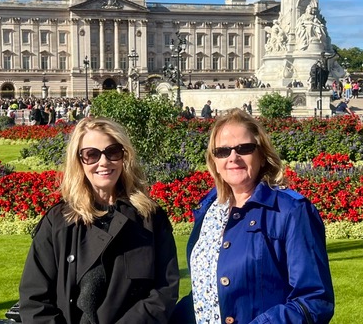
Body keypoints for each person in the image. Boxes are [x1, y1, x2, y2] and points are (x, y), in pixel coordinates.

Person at [171, 109, 335, 323]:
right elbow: (205, 294)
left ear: (262, 155)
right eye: (222, 151)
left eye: (244, 149)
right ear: (214, 162)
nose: (233, 157)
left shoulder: (290, 210)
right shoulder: (210, 209)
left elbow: (314, 300)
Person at [18, 117, 180, 323]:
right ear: (79, 162)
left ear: (124, 157)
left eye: (112, 152)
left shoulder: (149, 217)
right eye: (91, 155)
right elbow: (34, 299)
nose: (103, 162)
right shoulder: (58, 221)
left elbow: (164, 291)